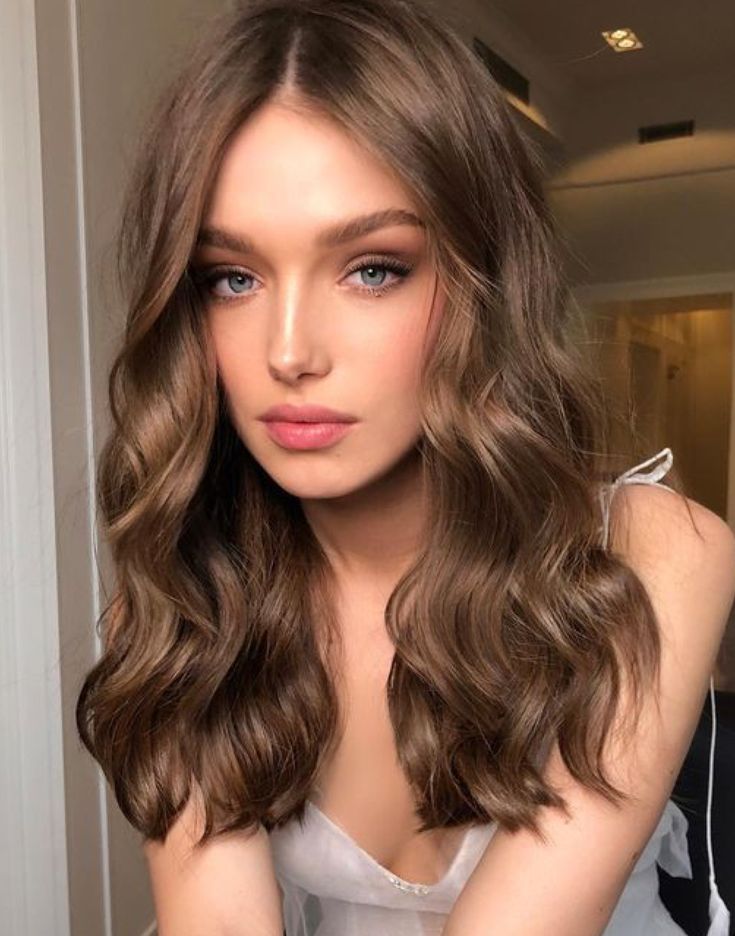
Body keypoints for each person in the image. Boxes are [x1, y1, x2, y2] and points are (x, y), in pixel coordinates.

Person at [75, 1, 735, 934]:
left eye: (373, 268)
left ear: (481, 281)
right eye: (233, 277)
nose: (290, 351)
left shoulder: (651, 553)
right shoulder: (189, 598)